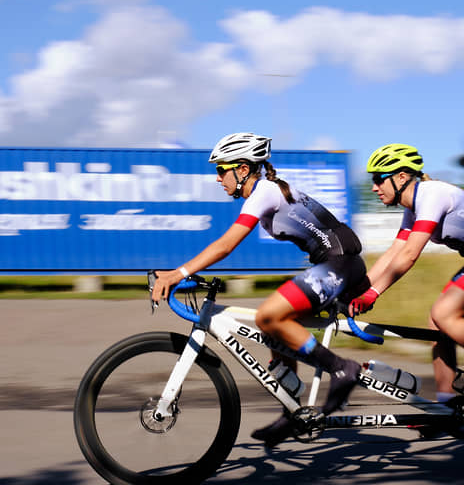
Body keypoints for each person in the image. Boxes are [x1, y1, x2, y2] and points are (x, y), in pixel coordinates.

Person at [151, 132, 368, 447]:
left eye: (220, 170)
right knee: (275, 332)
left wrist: (178, 273)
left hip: (342, 266)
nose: (217, 178)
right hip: (334, 265)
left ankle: (341, 369)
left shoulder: (264, 192)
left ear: (241, 169)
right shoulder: (267, 191)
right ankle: (293, 412)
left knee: (269, 315)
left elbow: (227, 245)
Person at [350, 143, 464, 414]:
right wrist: (356, 290)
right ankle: (447, 409)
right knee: (437, 322)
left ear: (401, 177)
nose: (374, 187)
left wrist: (373, 294)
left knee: (444, 313)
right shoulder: (412, 207)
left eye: (378, 179)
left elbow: (410, 254)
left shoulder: (432, 195)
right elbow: (394, 252)